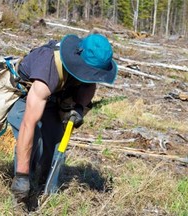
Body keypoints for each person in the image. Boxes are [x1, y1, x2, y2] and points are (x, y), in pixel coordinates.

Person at [7, 33, 118, 202]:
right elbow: (28, 124)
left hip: (53, 99)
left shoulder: (87, 65)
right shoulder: (48, 67)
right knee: (35, 138)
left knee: (55, 142)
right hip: (25, 97)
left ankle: (47, 191)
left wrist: (79, 108)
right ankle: (21, 192)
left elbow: (89, 85)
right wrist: (22, 176)